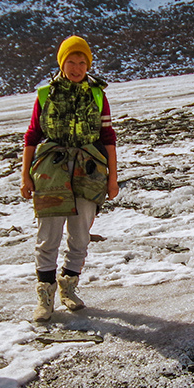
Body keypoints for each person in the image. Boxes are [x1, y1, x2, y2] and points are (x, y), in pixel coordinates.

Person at [19, 35, 119, 321]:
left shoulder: (98, 94)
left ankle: (68, 286)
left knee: (80, 236)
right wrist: (25, 176)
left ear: (88, 64)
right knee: (48, 236)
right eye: (71, 62)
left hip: (88, 173)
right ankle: (45, 295)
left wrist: (113, 178)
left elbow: (107, 137)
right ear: (61, 63)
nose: (76, 68)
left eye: (82, 62)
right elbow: (32, 135)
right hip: (51, 172)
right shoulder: (45, 95)